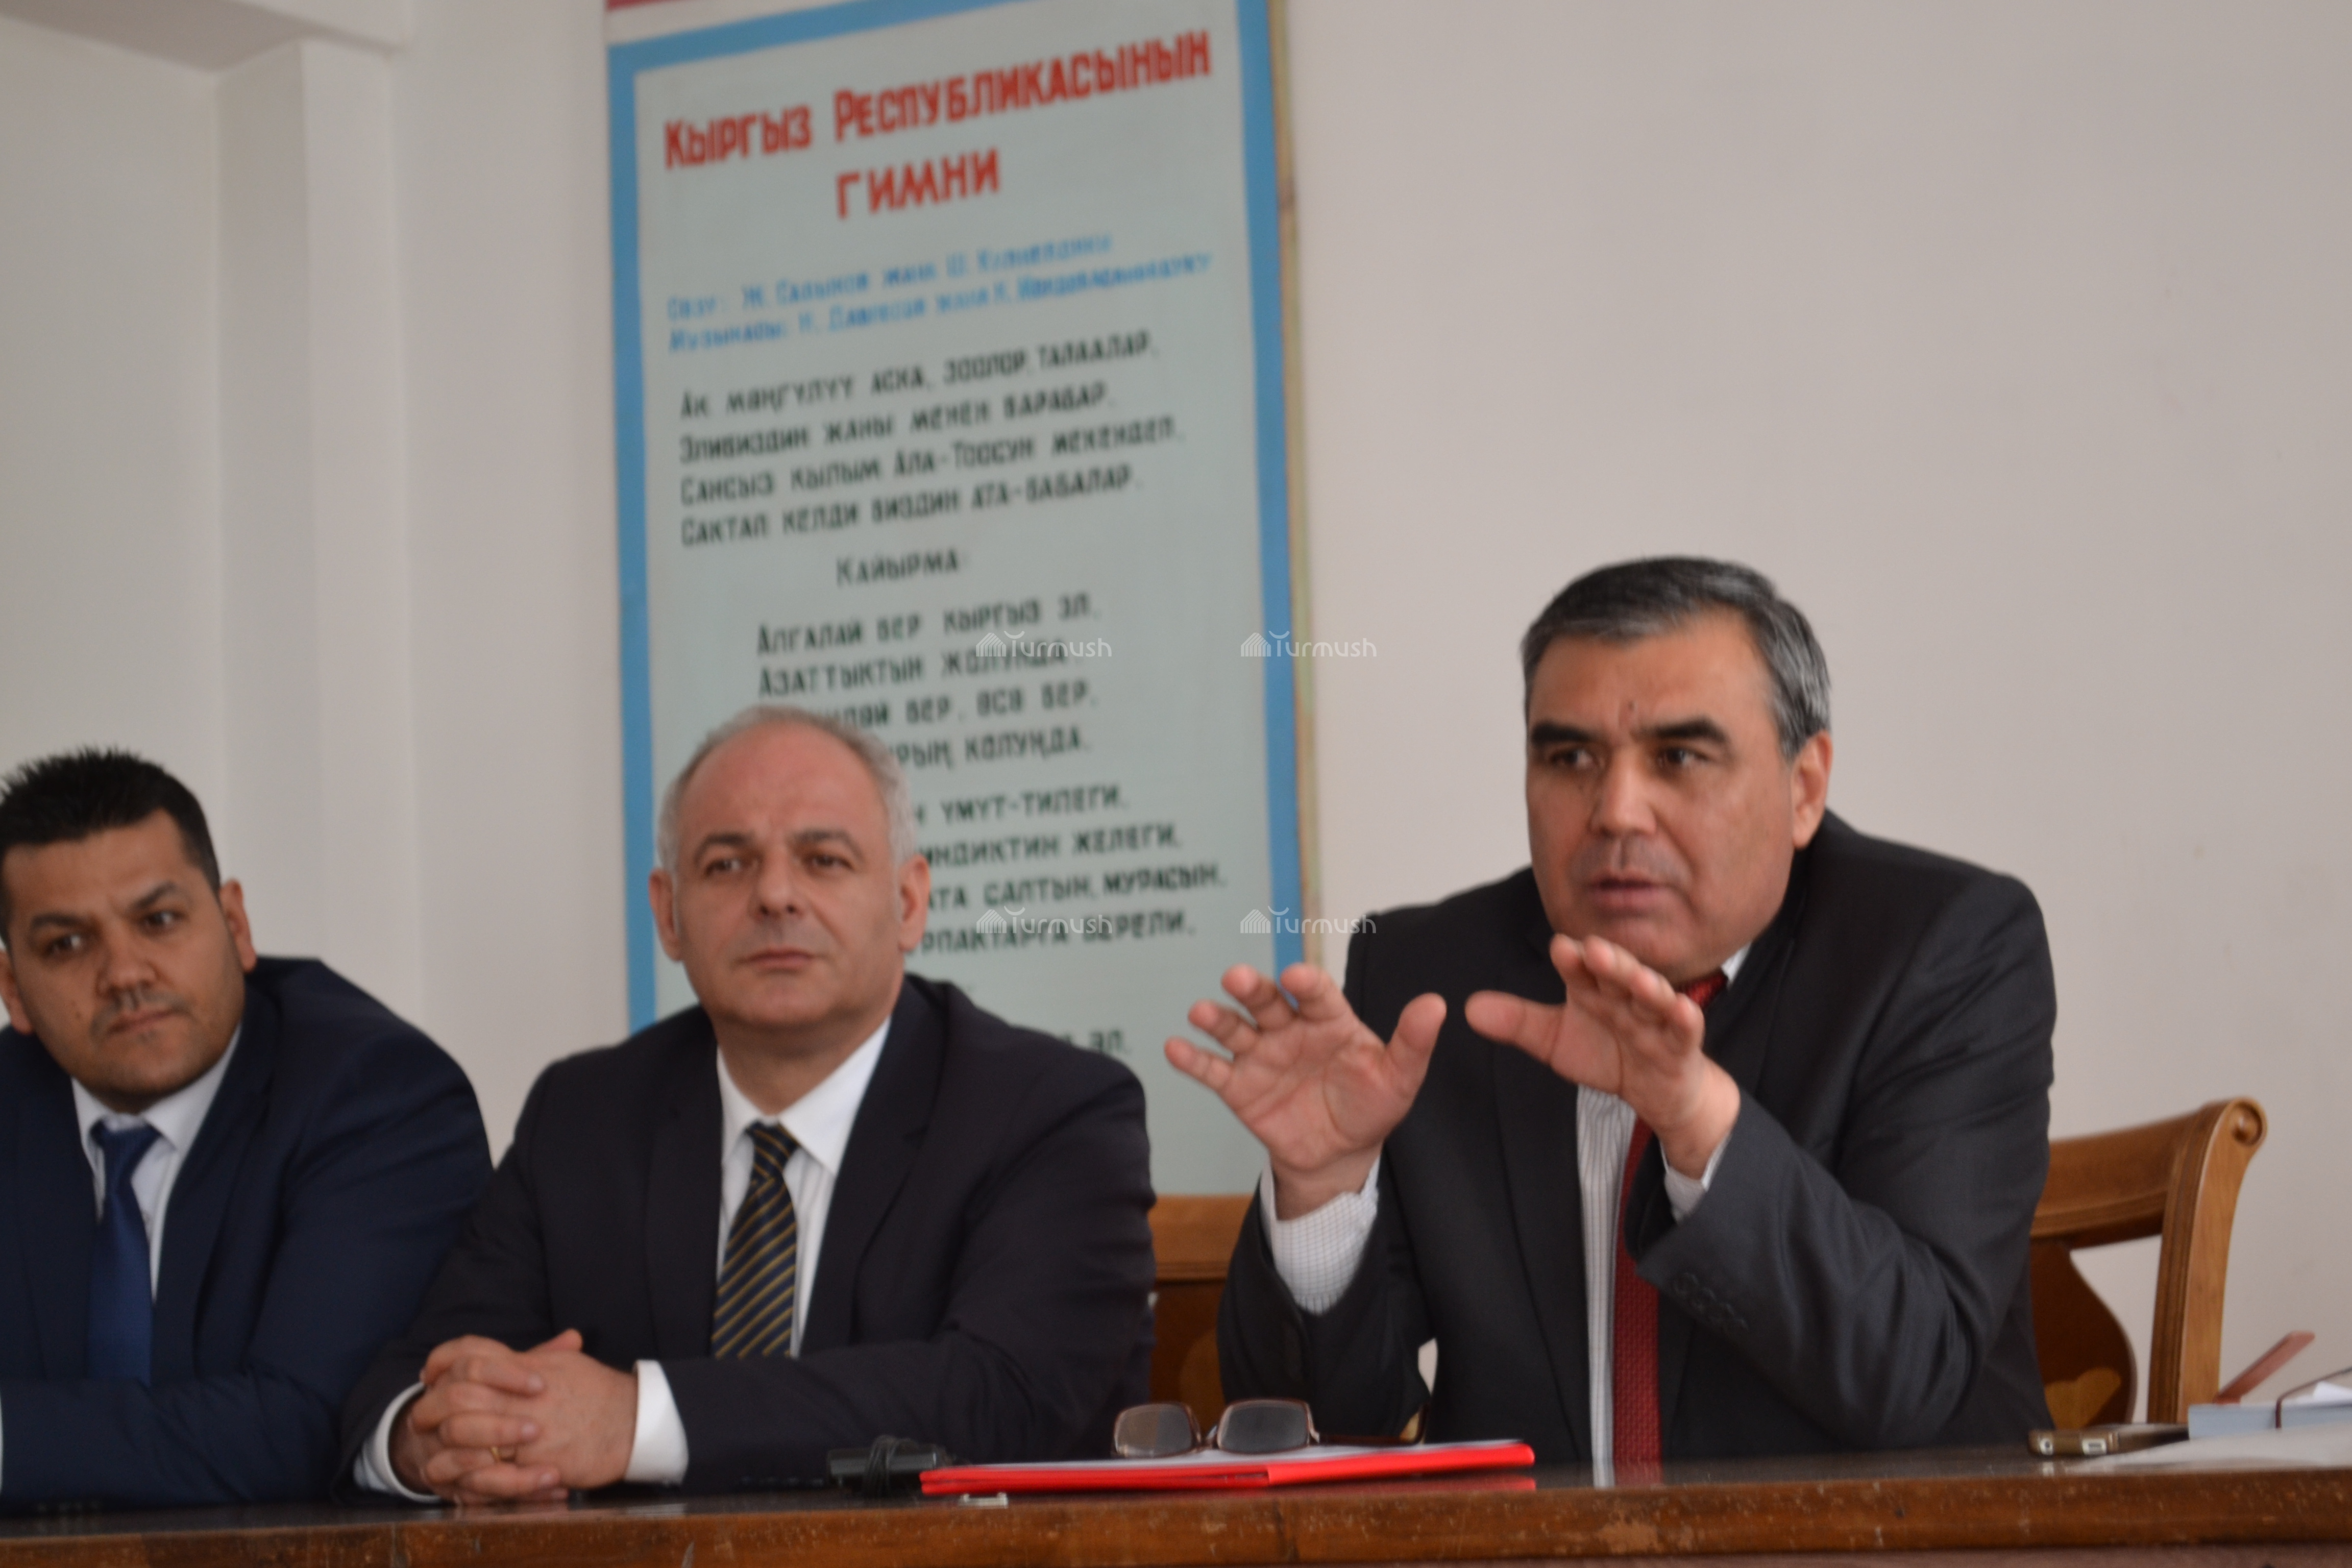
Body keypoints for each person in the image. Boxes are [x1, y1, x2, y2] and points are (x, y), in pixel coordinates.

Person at [1169, 558, 2054, 1464]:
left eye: (1679, 757)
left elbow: (1912, 1373)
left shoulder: (1941, 951)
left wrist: (1698, 1122)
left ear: (1805, 787)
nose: (1617, 812)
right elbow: (1316, 1430)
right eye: (1571, 759)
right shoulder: (1429, 984)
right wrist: (1323, 1192)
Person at [344, 706, 1155, 1502]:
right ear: (669, 915)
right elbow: (416, 1376)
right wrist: (429, 1439)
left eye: (824, 860)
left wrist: (637, 1419)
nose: (774, 895)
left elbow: (1000, 1398)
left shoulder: (1050, 1111)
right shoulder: (583, 1117)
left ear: (909, 904)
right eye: (727, 865)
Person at [0, 750, 489, 1508]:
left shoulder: (378, 1094)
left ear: (235, 925)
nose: (124, 973)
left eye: (159, 921)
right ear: (13, 991)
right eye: (67, 944)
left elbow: (299, 1430)